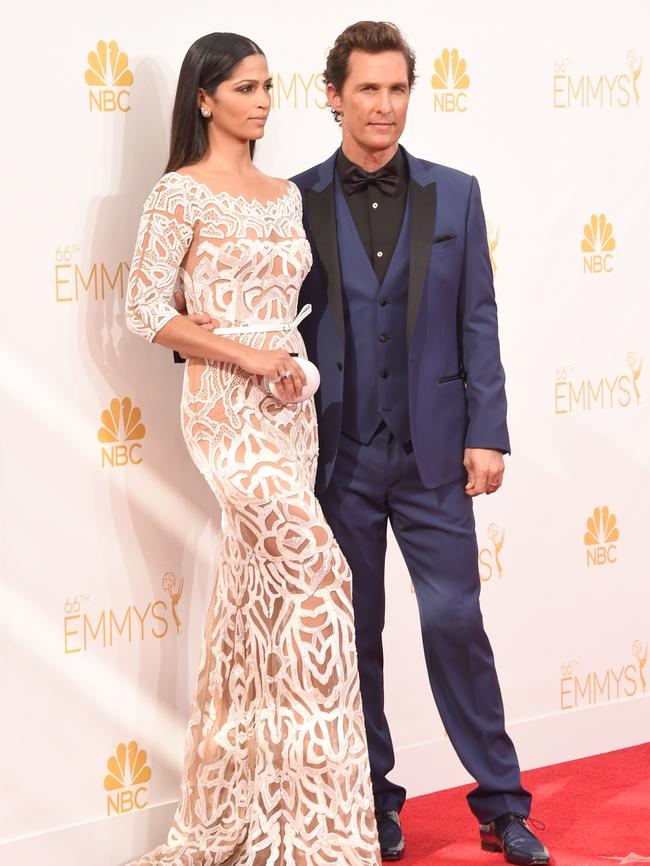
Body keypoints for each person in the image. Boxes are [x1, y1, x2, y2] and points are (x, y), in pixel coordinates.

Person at [289, 22, 550, 865]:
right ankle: (374, 799)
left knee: (454, 621)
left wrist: (489, 431)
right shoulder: (288, 202)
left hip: (437, 453)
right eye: (367, 89)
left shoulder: (457, 194)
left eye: (397, 89)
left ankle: (504, 804)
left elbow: (480, 317)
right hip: (340, 459)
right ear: (334, 95)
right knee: (355, 634)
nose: (384, 106)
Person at [124, 31, 381, 866]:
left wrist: (289, 365)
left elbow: (291, 309)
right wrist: (245, 355)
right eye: (244, 87)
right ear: (205, 99)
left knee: (252, 607)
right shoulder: (179, 193)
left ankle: (256, 807)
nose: (263, 100)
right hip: (225, 409)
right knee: (320, 571)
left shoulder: (282, 194)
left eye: (268, 85)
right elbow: (143, 309)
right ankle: (323, 828)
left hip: (287, 410)